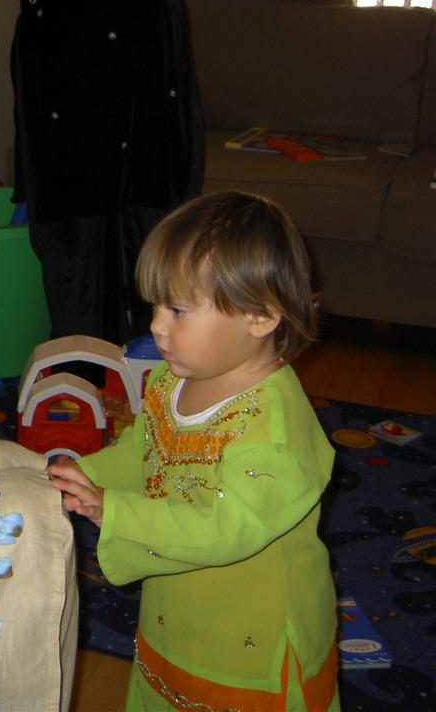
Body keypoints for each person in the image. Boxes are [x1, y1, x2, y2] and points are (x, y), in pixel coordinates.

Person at [47, 191, 339, 710]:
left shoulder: (274, 434)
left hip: (252, 636)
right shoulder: (171, 380)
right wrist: (83, 475)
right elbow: (144, 451)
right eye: (156, 305)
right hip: (177, 606)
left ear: (260, 316)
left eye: (178, 310)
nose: (157, 325)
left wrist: (114, 510)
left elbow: (225, 527)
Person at [0, 0, 204, 352]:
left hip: (147, 36)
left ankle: (168, 366)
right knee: (73, 228)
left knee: (156, 216)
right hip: (64, 42)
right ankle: (80, 370)